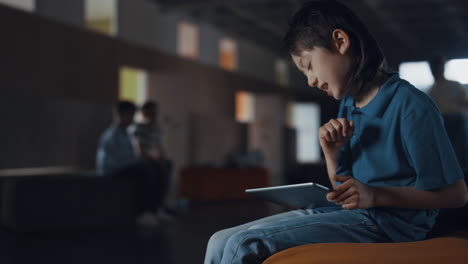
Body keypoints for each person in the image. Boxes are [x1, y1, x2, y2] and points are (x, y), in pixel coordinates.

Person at [204, 1, 468, 264]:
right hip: (354, 213)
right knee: (219, 239)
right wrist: (332, 153)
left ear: (340, 41)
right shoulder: (348, 104)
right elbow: (344, 188)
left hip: (391, 225)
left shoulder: (411, 105)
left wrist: (376, 195)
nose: (310, 80)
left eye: (308, 65)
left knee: (244, 243)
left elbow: (456, 195)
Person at [129, 101, 173, 219]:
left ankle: (159, 207)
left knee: (167, 166)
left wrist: (162, 158)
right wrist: (154, 159)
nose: (154, 115)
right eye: (151, 112)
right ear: (144, 113)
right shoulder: (137, 128)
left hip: (153, 159)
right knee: (151, 171)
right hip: (141, 160)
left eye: (155, 112)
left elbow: (159, 146)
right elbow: (139, 151)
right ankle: (147, 210)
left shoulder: (156, 128)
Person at [96, 101, 137, 175]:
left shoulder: (128, 134)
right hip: (113, 176)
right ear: (122, 115)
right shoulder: (111, 137)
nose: (133, 119)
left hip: (122, 173)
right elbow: (110, 165)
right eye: (131, 115)